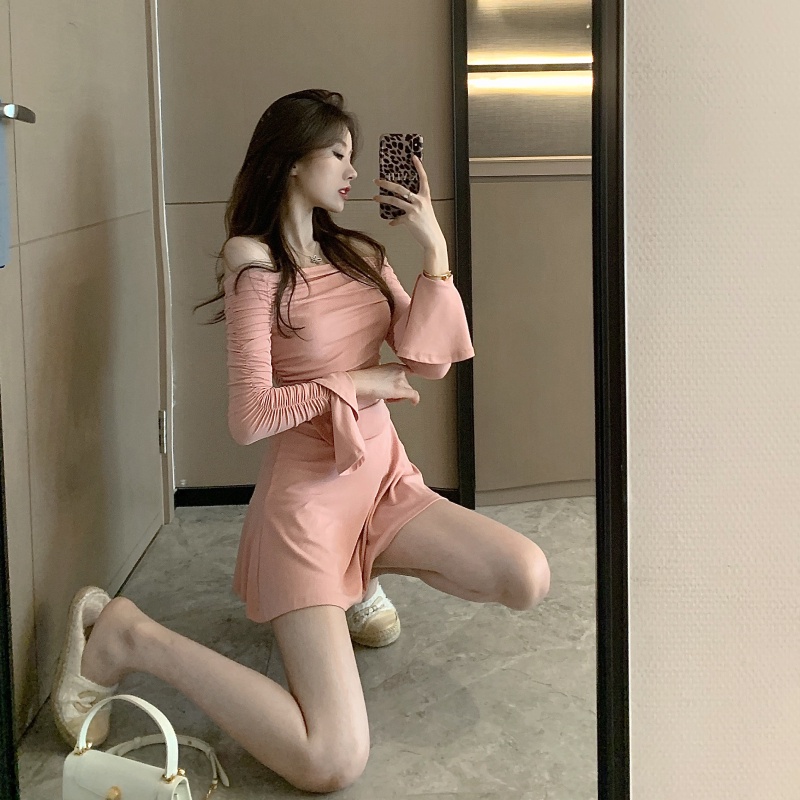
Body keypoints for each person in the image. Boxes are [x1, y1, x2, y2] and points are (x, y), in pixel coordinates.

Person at [52, 89, 550, 793]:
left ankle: (359, 578)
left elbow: (429, 361)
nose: (353, 170)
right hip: (308, 507)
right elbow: (250, 417)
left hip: (384, 480)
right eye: (338, 154)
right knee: (331, 760)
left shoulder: (360, 253)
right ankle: (131, 634)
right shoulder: (253, 261)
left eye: (354, 155)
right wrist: (359, 382)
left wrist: (434, 249)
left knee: (527, 576)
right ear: (292, 160)